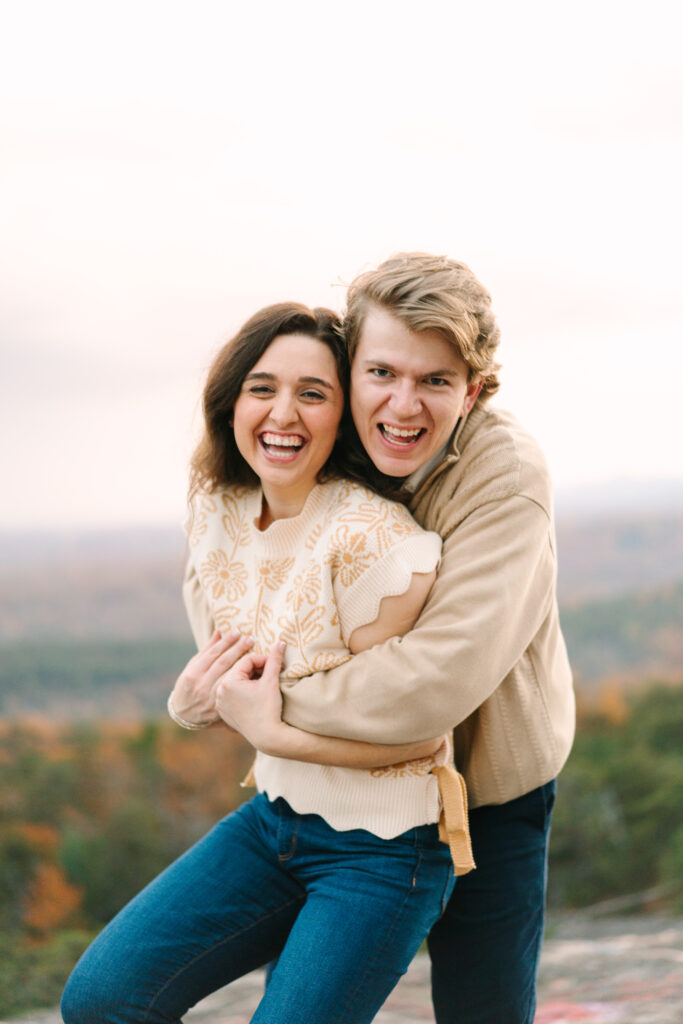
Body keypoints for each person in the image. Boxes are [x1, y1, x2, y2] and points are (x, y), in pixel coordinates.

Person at [61, 301, 474, 1024]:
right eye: (262, 387)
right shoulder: (217, 510)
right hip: (274, 821)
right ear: (230, 401)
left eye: (312, 393)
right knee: (102, 1001)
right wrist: (192, 703)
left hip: (384, 851)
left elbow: (415, 735)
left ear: (341, 415)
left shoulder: (375, 542)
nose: (283, 412)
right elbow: (232, 678)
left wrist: (266, 732)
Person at [216, 254, 575, 1024]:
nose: (402, 405)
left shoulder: (504, 475)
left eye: (436, 381)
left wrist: (268, 707)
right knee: (304, 1001)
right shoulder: (328, 443)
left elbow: (435, 678)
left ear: (472, 390)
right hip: (349, 797)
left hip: (486, 790)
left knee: (482, 1008)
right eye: (380, 372)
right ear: (349, 372)